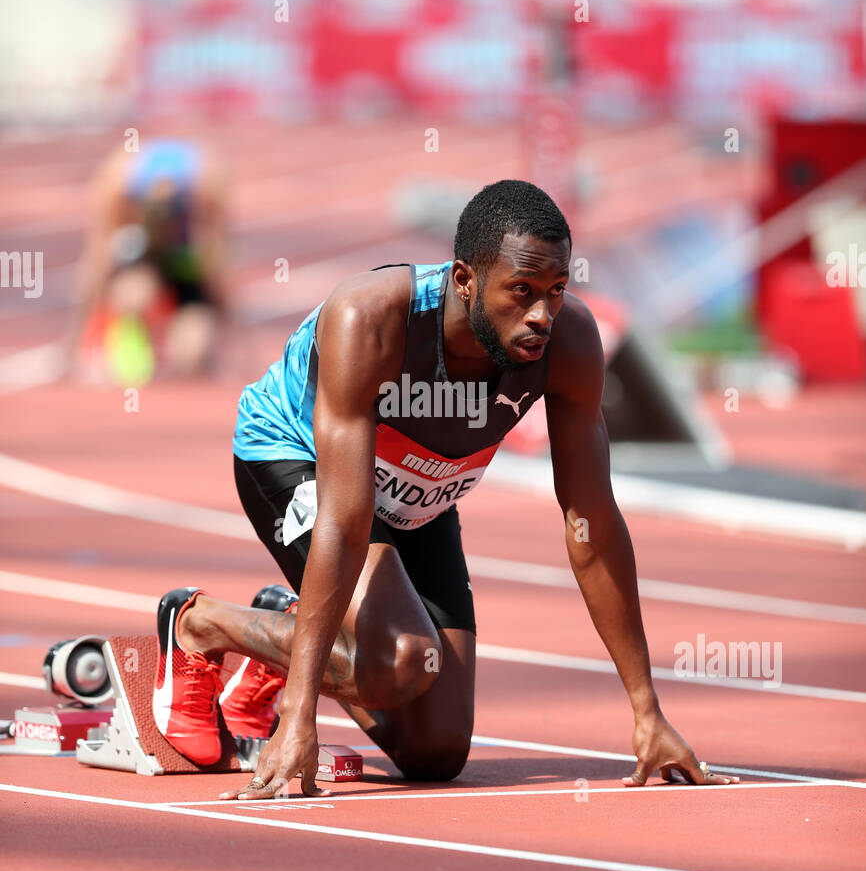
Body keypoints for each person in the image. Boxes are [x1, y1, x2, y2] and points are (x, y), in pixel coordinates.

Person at [151, 179, 737, 796]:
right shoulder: (370, 317)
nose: (542, 314)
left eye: (556, 291)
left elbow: (590, 521)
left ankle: (291, 626)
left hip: (424, 494)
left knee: (436, 752)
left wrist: (647, 712)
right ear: (464, 280)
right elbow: (346, 521)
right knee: (399, 657)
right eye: (522, 291)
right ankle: (200, 624)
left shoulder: (568, 342)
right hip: (298, 459)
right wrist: (299, 715)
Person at [65, 138, 228, 381]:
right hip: (143, 264)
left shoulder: (205, 190)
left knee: (194, 351)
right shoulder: (118, 185)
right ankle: (136, 338)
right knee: (134, 294)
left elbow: (217, 270)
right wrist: (74, 340)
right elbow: (97, 262)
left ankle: (176, 342)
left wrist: (227, 332)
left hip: (182, 269)